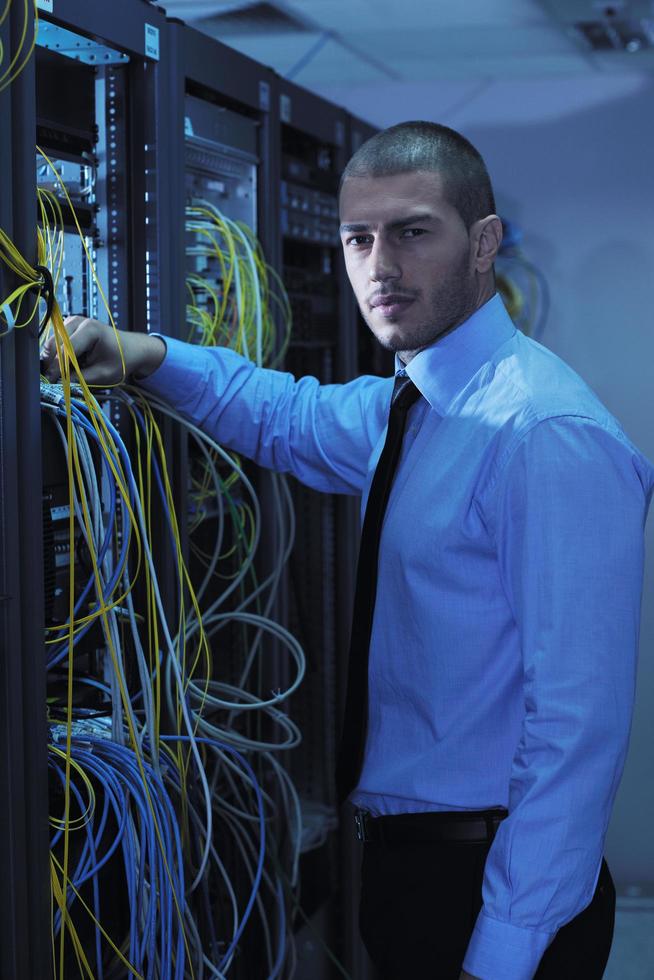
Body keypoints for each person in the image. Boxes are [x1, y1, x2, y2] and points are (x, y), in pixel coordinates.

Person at [43, 121, 654, 980]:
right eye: (357, 238)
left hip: (495, 886)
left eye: (412, 232)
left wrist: (503, 954)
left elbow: (577, 732)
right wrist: (144, 355)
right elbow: (284, 415)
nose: (379, 267)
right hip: (413, 870)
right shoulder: (413, 406)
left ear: (484, 244)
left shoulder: (546, 434)